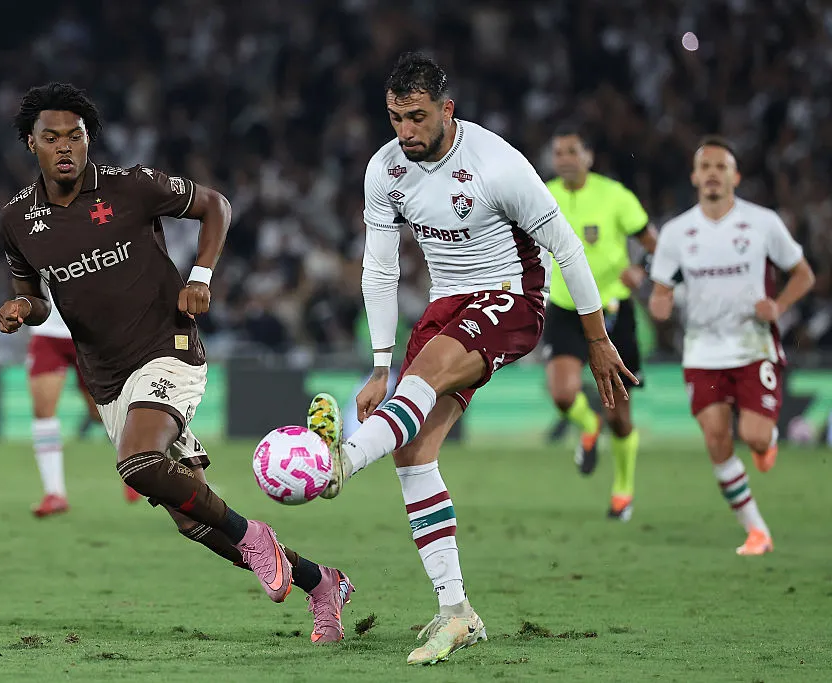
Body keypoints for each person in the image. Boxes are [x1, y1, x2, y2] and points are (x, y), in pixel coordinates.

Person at [306, 53, 636, 665]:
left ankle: (341, 463)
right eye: (395, 117)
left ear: (447, 110)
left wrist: (596, 338)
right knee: (413, 451)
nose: (405, 132)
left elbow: (564, 246)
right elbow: (379, 269)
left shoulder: (498, 165)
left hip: (510, 298)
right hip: (444, 306)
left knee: (426, 377)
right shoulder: (385, 170)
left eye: (417, 117)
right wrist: (380, 364)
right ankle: (456, 611)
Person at [0, 83, 352, 642]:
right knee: (192, 520)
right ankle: (321, 583)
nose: (65, 146)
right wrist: (24, 307)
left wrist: (200, 277)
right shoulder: (17, 219)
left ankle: (254, 534)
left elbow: (216, 205)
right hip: (107, 376)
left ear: (90, 140)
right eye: (51, 137)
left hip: (169, 347)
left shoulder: (130, 187)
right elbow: (37, 294)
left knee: (137, 461)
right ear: (30, 144)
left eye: (76, 135)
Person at [648, 136, 814, 556]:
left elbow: (803, 275)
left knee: (754, 437)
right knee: (718, 441)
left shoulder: (763, 223)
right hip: (702, 351)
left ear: (735, 176)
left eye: (721, 167)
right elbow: (661, 291)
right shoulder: (676, 232)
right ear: (694, 177)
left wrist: (777, 305)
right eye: (705, 167)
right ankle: (757, 530)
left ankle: (767, 441)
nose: (713, 174)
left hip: (752, 346)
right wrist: (660, 303)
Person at [543, 124, 657, 521]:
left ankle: (622, 490)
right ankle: (587, 426)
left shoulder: (615, 196)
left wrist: (642, 270)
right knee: (561, 393)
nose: (564, 160)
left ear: (588, 156)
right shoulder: (544, 195)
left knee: (620, 415)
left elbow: (652, 244)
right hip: (564, 305)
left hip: (613, 310)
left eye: (572, 151)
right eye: (558, 153)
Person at [25, 291, 140, 517]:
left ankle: (135, 468)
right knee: (42, 410)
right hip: (47, 331)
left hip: (91, 333)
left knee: (100, 413)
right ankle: (54, 493)